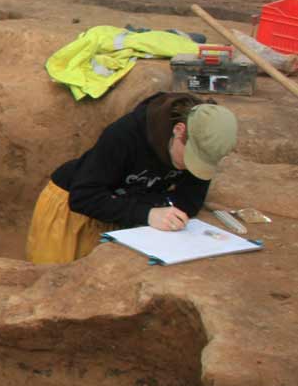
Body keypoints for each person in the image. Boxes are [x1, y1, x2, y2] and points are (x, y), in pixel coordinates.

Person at [26, 91, 238, 264]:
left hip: (120, 210)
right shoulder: (125, 135)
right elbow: (84, 197)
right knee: (60, 286)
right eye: (191, 156)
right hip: (73, 211)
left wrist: (156, 210)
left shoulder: (206, 141)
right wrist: (147, 213)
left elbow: (190, 201)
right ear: (179, 130)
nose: (191, 166)